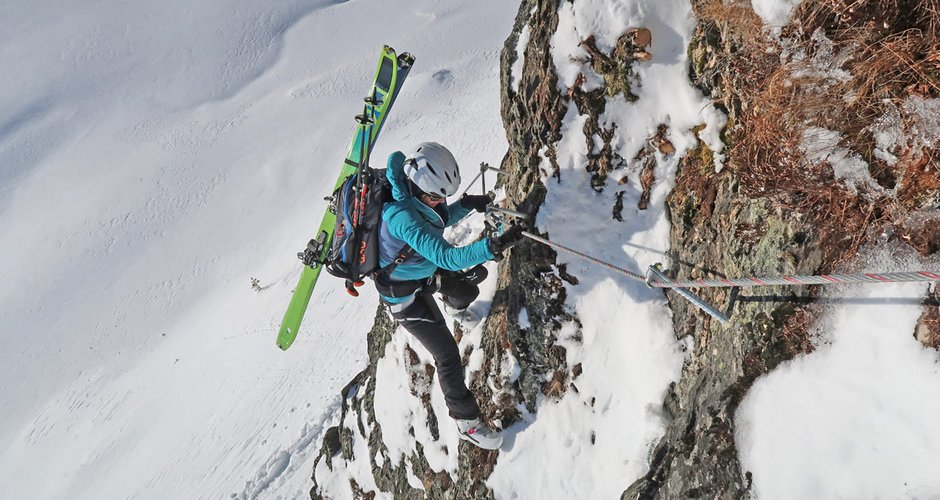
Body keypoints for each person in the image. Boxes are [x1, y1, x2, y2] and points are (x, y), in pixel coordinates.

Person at [374, 142, 524, 450]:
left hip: (420, 274)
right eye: (435, 196)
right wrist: (493, 246)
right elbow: (448, 257)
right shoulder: (402, 217)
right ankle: (466, 424)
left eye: (444, 196)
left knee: (470, 285)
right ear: (418, 189)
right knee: (446, 356)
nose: (441, 201)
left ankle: (454, 306)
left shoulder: (415, 196)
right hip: (404, 296)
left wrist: (468, 203)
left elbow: (439, 218)